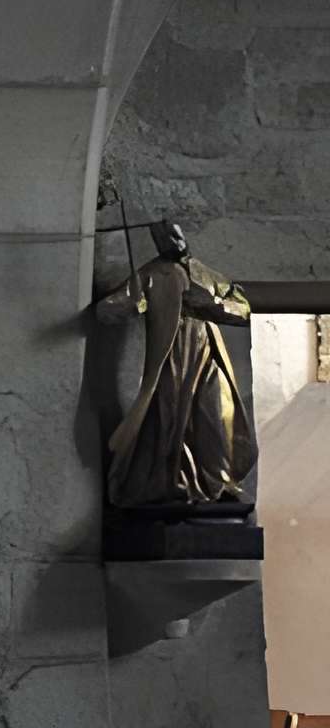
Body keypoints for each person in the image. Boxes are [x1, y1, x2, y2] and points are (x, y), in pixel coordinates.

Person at [96, 218, 255, 510]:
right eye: (166, 239)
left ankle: (219, 483)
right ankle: (175, 486)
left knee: (216, 417)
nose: (174, 243)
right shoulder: (153, 273)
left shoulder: (205, 274)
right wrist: (126, 306)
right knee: (172, 422)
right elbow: (110, 308)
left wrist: (210, 305)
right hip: (170, 358)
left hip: (206, 356)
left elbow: (242, 308)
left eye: (177, 236)